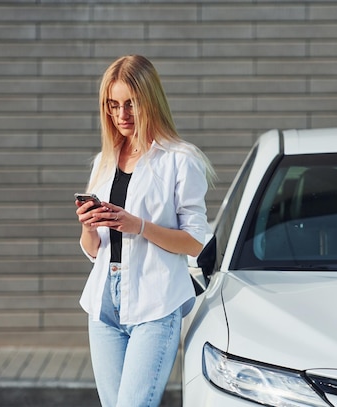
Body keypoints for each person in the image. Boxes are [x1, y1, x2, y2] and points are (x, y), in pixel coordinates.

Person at [75, 55, 215, 407]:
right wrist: (88, 226)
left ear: (150, 101)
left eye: (131, 104)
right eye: (113, 105)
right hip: (105, 302)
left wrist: (138, 226)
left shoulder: (180, 159)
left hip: (156, 303)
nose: (121, 115)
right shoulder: (104, 161)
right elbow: (94, 250)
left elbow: (196, 240)